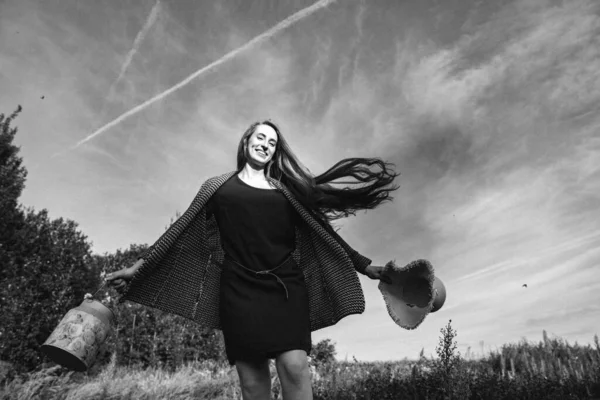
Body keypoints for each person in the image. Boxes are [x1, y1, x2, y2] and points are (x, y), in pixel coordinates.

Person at [106, 120, 399, 400]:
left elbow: (322, 232)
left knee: (295, 366)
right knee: (252, 379)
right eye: (260, 137)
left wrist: (364, 265)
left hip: (286, 287)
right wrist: (138, 267)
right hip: (238, 290)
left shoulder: (286, 193)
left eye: (272, 142)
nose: (266, 145)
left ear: (274, 153)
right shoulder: (217, 187)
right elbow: (180, 229)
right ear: (246, 141)